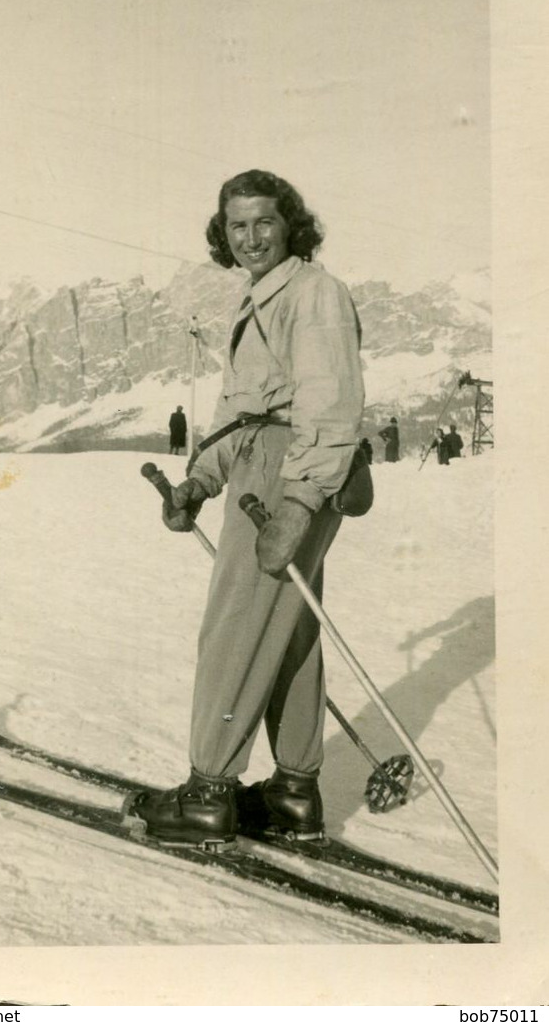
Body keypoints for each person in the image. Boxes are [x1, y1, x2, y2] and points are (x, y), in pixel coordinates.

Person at [128, 169, 364, 848]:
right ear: (223, 233)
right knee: (287, 630)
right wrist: (199, 480)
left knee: (237, 624)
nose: (251, 236)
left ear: (291, 223)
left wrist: (298, 499)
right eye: (237, 225)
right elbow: (241, 410)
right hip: (271, 466)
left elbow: (329, 400)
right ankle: (293, 792)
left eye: (265, 221)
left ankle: (208, 792)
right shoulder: (259, 298)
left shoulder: (313, 293)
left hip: (288, 475)